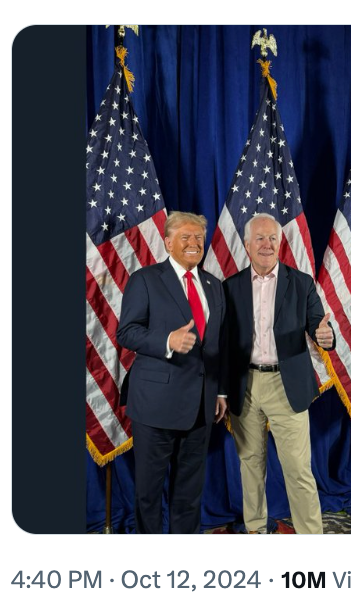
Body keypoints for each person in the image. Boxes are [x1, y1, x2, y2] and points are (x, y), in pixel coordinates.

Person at [224, 213, 336, 534]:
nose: (267, 244)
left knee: (299, 470)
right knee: (250, 465)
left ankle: (309, 537)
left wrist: (326, 337)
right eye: (259, 238)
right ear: (247, 245)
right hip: (245, 385)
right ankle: (257, 530)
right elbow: (223, 341)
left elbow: (319, 326)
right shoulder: (230, 288)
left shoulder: (301, 283)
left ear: (280, 242)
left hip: (286, 384)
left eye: (272, 238)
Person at [117, 212, 227, 533]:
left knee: (189, 492)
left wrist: (219, 391)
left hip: (201, 406)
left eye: (198, 239)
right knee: (149, 492)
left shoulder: (214, 285)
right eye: (185, 238)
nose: (194, 244)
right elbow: (127, 332)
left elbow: (217, 344)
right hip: (155, 404)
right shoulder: (146, 279)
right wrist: (167, 340)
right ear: (168, 242)